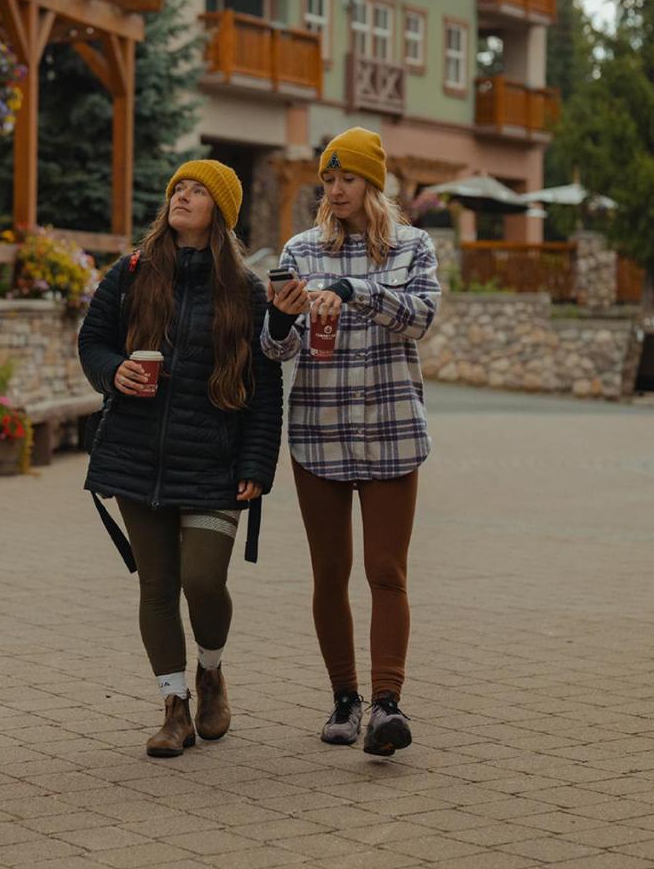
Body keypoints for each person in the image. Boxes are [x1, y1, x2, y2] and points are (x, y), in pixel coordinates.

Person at [78, 159, 283, 758]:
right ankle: (175, 707)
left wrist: (257, 464)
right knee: (158, 585)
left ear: (219, 210)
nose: (183, 198)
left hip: (214, 463)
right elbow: (92, 341)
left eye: (196, 191)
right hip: (137, 457)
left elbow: (265, 389)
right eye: (178, 190)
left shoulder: (246, 290)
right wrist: (112, 372)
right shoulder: (133, 273)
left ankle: (211, 670)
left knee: (202, 580)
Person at [262, 127, 440, 757]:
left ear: (373, 183)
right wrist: (282, 315)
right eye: (328, 180)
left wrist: (356, 291)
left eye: (347, 179)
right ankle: (345, 699)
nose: (335, 191)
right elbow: (277, 350)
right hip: (319, 432)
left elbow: (420, 318)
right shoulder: (301, 249)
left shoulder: (413, 247)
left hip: (392, 430)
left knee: (385, 572)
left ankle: (387, 707)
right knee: (329, 573)